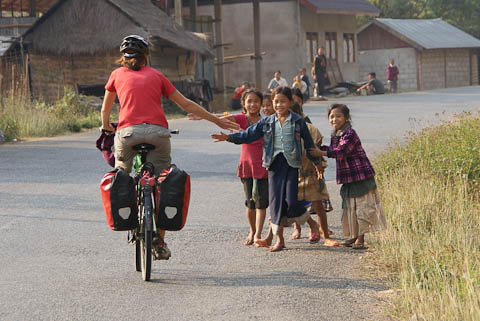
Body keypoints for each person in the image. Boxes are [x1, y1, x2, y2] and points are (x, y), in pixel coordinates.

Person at [101, 35, 240, 260]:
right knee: (161, 183)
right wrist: (216, 120)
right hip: (158, 134)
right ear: (146, 57)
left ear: (123, 58)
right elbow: (185, 103)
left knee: (122, 175)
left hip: (127, 134)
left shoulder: (116, 75)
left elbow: (106, 110)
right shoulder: (157, 76)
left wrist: (107, 126)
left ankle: (128, 213)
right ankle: (159, 240)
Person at [212, 86, 323, 252]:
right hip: (273, 166)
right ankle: (279, 240)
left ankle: (312, 224)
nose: (279, 105)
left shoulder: (297, 121)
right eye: (276, 101)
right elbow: (248, 135)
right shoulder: (267, 122)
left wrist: (317, 163)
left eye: (283, 101)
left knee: (292, 201)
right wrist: (228, 137)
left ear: (290, 102)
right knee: (275, 203)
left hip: (291, 165)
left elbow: (309, 144)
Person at [309, 104, 387, 249]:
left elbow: (341, 151)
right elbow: (332, 150)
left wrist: (321, 153)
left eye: (338, 116)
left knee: (362, 207)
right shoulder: (336, 134)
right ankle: (354, 236)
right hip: (349, 178)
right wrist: (318, 148)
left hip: (360, 176)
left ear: (346, 117)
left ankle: (361, 239)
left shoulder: (350, 133)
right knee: (350, 207)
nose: (334, 119)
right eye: (331, 116)